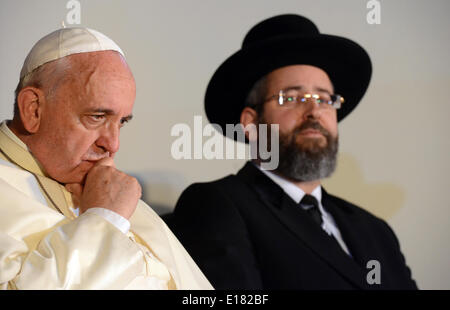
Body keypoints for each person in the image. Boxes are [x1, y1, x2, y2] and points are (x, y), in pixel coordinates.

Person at [164, 14, 417, 289]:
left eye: (324, 99)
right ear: (251, 123)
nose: (314, 112)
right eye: (292, 98)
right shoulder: (218, 205)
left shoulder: (375, 230)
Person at [0, 27, 212, 290]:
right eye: (96, 117)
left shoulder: (107, 188)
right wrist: (105, 220)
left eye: (121, 122)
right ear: (34, 109)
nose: (113, 145)